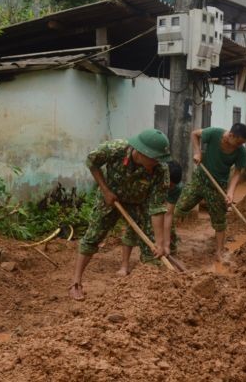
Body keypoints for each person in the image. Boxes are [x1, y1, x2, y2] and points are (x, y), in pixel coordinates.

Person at [69, 128, 171, 301]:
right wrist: (105, 190)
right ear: (141, 152)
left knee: (151, 250)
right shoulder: (115, 149)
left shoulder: (161, 169)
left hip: (140, 203)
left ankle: (148, 296)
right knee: (93, 237)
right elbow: (91, 161)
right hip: (110, 197)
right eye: (154, 158)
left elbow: (156, 207)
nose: (157, 162)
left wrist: (160, 243)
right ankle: (76, 283)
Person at [174, 123, 246, 262]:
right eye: (238, 143)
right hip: (200, 179)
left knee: (220, 219)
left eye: (242, 144)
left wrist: (230, 192)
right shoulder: (214, 133)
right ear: (231, 135)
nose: (239, 146)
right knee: (179, 209)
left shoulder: (241, 152)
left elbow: (237, 173)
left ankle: (219, 252)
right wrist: (197, 152)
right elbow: (195, 134)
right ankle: (168, 243)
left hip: (218, 186)